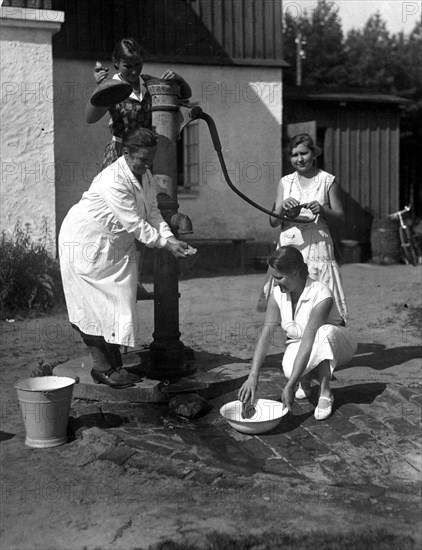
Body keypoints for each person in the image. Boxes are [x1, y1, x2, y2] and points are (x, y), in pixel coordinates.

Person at [59, 128, 191, 389]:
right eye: (141, 159)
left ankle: (115, 363)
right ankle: (102, 367)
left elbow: (152, 212)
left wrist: (171, 238)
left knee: (119, 307)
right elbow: (134, 223)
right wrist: (165, 244)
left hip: (116, 248)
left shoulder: (145, 176)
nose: (146, 165)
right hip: (85, 243)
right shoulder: (113, 179)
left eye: (149, 160)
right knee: (89, 307)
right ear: (125, 152)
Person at [240, 246, 357, 420]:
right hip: (303, 342)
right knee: (289, 370)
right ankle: (306, 382)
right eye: (273, 277)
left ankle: (325, 393)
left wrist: (290, 386)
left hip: (338, 341)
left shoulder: (321, 293)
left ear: (295, 272)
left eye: (279, 277)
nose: (276, 282)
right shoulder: (277, 295)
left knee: (322, 333)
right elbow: (266, 335)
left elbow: (309, 340)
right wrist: (253, 376)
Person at [258, 133, 348, 320]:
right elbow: (273, 222)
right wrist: (282, 207)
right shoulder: (285, 182)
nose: (299, 159)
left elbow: (341, 217)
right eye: (294, 155)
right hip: (290, 244)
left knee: (318, 292)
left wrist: (323, 210)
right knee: (290, 293)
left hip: (317, 244)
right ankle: (295, 338)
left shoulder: (327, 180)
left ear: (314, 153)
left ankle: (322, 338)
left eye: (304, 153)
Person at [85, 37, 192, 169]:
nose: (134, 71)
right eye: (128, 66)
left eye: (138, 64)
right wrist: (101, 88)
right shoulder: (112, 87)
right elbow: (90, 118)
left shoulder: (149, 83)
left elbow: (185, 94)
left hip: (147, 154)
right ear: (116, 62)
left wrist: (178, 79)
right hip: (120, 155)